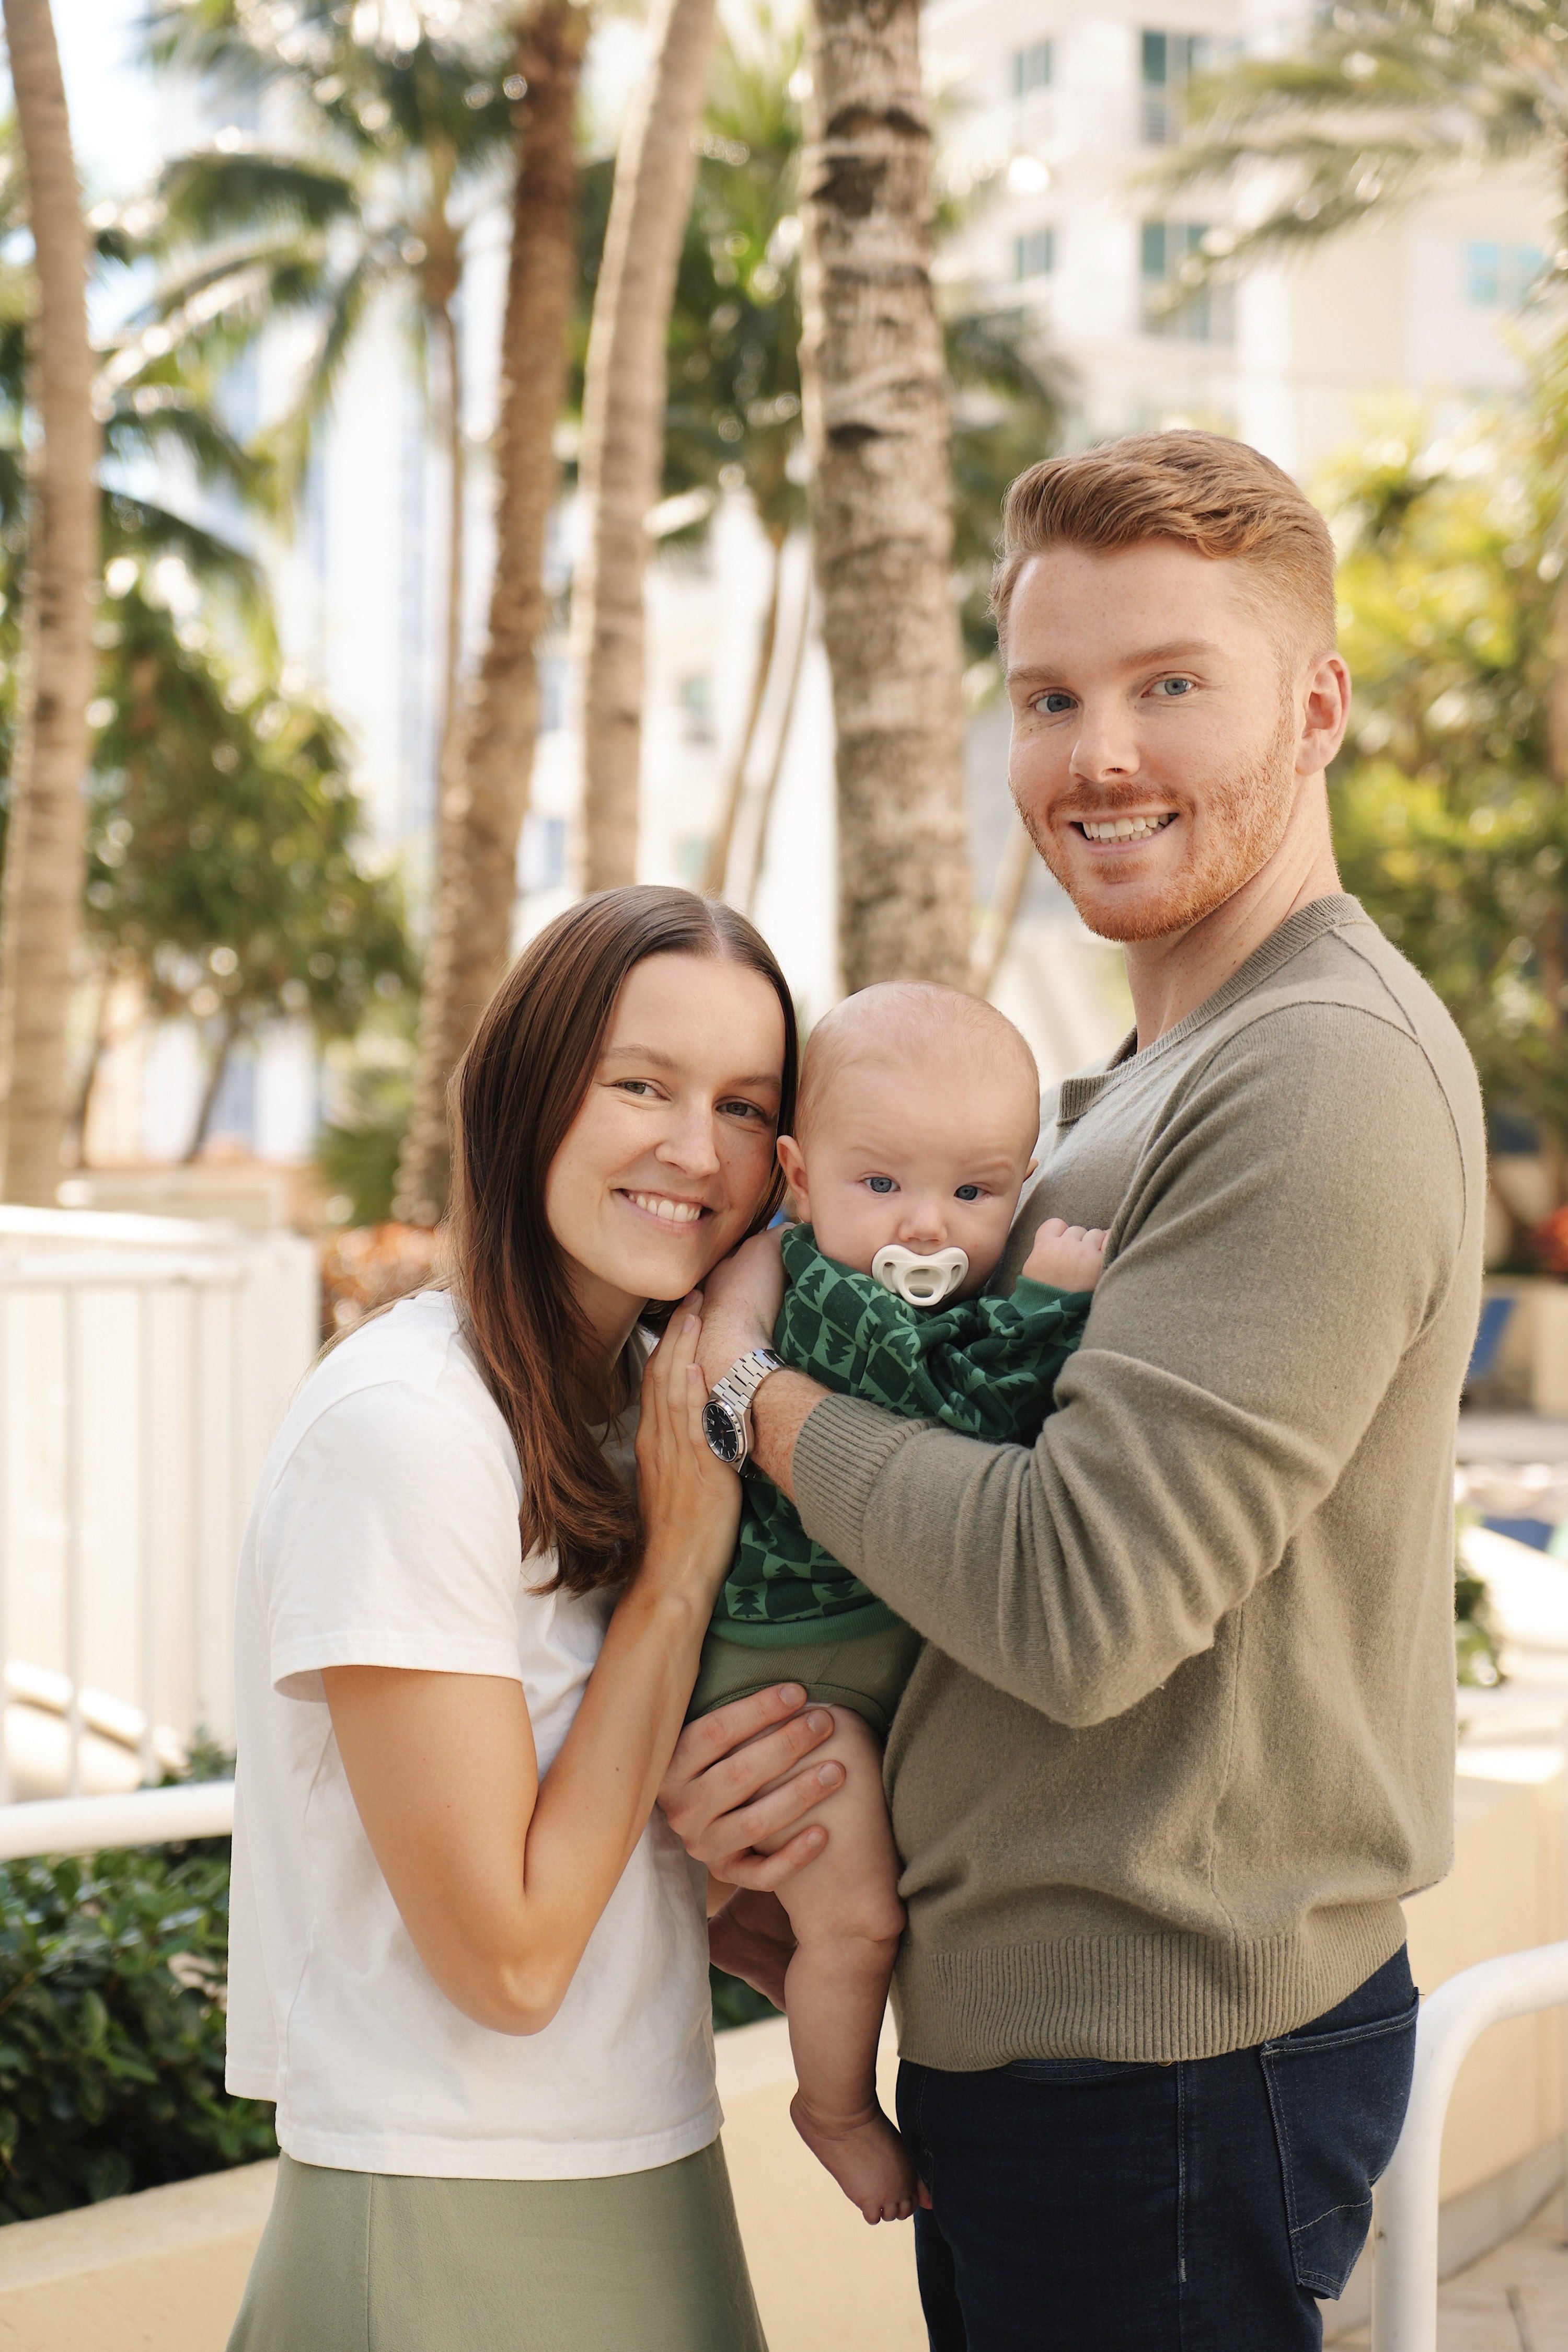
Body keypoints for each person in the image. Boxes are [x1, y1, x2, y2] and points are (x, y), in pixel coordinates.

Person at [664, 431, 1486, 2350]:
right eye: (1051, 697)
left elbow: (1077, 1597)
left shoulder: (1319, 1076)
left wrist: (754, 1393)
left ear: (1320, 706)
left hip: (1175, 2068)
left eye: (1169, 685)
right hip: (1063, 2049)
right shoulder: (1124, 1097)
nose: (1098, 754)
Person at [224, 885, 816, 2352]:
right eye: (643, 1084)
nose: (697, 1148)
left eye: (746, 1105)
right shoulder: (408, 1428)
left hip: (640, 2150)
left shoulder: (637, 1411)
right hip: (450, 2202)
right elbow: (509, 1960)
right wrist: (678, 1579)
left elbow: (594, 1835)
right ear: (527, 1091)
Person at [689, 982, 1107, 2224]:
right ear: (801, 1179)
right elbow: (964, 1422)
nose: (927, 1228)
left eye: (974, 1194)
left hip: (850, 1664)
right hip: (795, 1680)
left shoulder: (834, 1270)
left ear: (1022, 1181)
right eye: (883, 1187)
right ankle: (832, 2102)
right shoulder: (828, 1290)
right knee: (860, 1926)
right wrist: (1043, 1300)